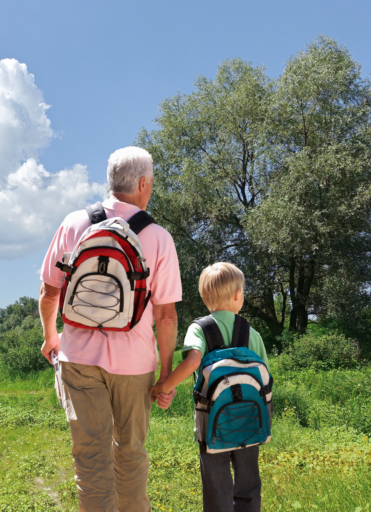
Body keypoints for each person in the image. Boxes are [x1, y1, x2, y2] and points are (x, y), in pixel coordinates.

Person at [39, 146, 182, 511]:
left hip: (79, 360)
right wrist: (166, 374)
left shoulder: (74, 223)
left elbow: (48, 290)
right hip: (134, 365)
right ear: (143, 183)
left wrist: (50, 336)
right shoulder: (159, 237)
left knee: (90, 456)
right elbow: (165, 315)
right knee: (130, 452)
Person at [150, 263, 269, 512]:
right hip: (249, 422)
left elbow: (192, 361)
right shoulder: (252, 334)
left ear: (205, 299)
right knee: (248, 485)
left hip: (212, 422)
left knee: (217, 487)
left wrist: (164, 386)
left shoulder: (199, 329)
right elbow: (266, 380)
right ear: (238, 295)